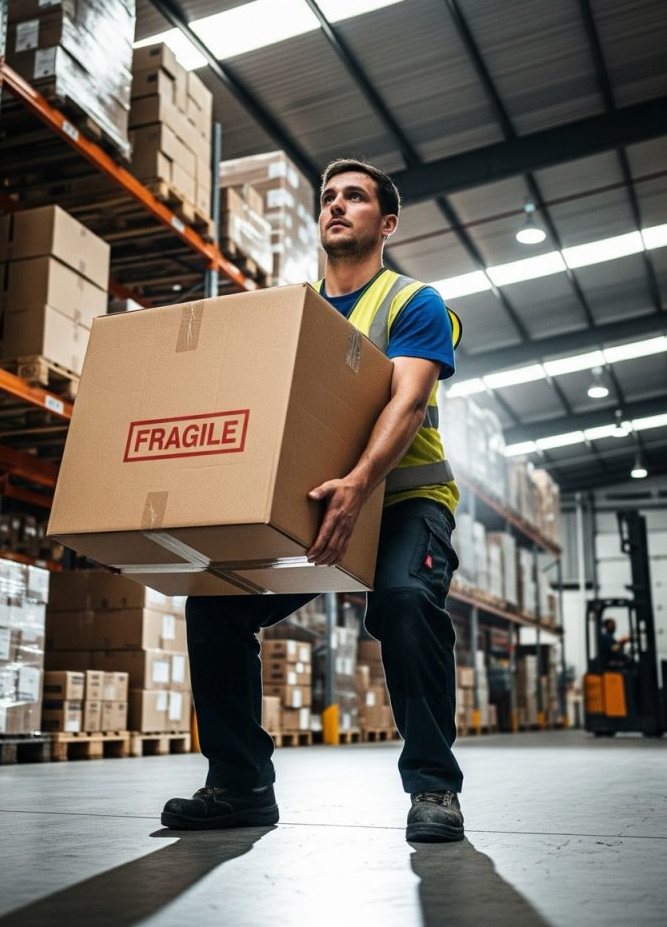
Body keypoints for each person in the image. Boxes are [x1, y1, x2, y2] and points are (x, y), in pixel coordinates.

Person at [162, 158, 465, 844]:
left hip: (403, 499)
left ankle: (433, 786)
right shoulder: (290, 313)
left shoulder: (412, 302)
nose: (336, 205)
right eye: (328, 197)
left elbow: (408, 402)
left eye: (354, 197)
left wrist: (358, 483)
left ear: (387, 223)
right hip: (309, 501)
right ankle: (240, 784)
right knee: (214, 606)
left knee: (406, 603)